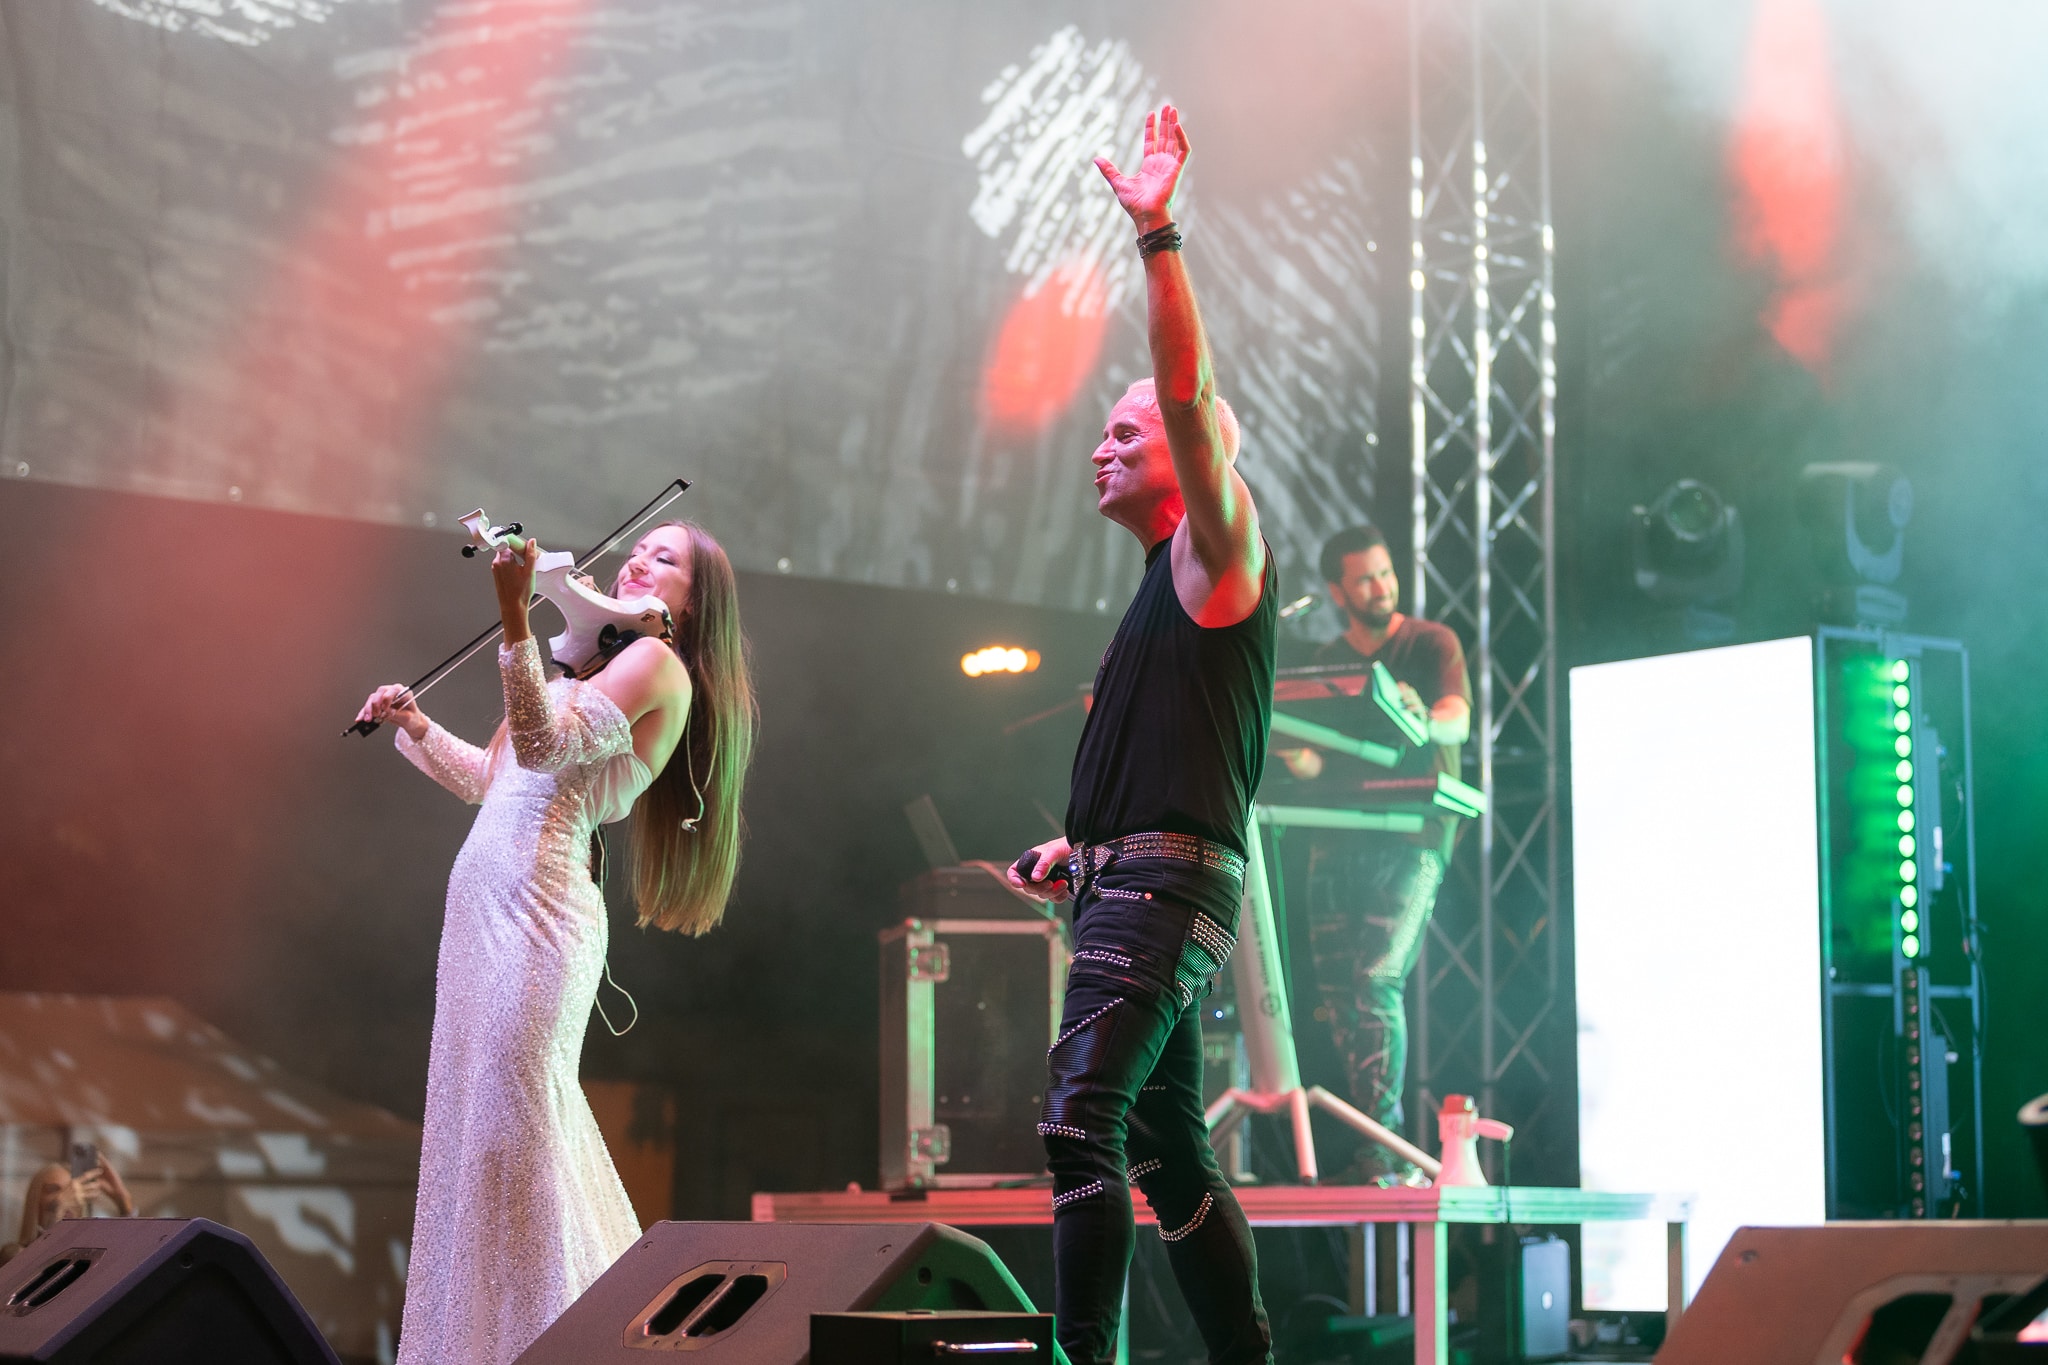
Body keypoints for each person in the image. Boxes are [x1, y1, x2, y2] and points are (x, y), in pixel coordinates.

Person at [355, 520, 756, 1365]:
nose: (639, 558)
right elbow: (493, 779)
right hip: (478, 917)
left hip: (541, 917)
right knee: (480, 1132)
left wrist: (514, 617)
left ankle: (565, 1340)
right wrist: (419, 727)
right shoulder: (585, 668)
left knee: (518, 1127)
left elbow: (542, 748)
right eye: (640, 548)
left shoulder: (659, 666)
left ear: (692, 602)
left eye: (666, 558)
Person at [1007, 105, 1274, 1365]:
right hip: (1137, 879)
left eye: (1125, 431)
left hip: (1165, 890)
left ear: (1193, 450)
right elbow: (1168, 762)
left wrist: (1156, 233)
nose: (1098, 449)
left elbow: (1186, 387)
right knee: (1166, 1153)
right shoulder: (1155, 594)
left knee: (1080, 1124)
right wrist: (1080, 849)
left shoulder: (1217, 554)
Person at [1289, 523, 1470, 1182]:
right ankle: (1374, 1140)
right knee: (1339, 993)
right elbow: (1312, 762)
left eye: (1386, 573)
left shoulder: (1431, 642)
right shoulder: (1325, 660)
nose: (1381, 587)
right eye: (1365, 578)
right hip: (1335, 832)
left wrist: (1421, 717)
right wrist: (1280, 743)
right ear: (1337, 591)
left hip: (1415, 833)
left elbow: (1457, 718)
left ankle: (1385, 1147)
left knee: (1374, 980)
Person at [1, 1155, 134, 1265]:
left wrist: (124, 1202)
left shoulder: (90, 1256)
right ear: (35, 1199)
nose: (67, 1197)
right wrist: (54, 1217)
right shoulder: (14, 1254)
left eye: (72, 1190)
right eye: (53, 1189)